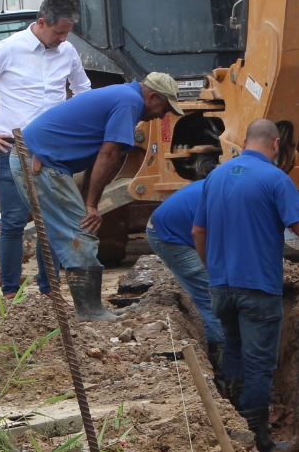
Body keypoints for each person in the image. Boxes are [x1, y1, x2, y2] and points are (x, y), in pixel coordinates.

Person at [192, 119, 299, 452]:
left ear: (245, 140)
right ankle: (259, 442)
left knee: (234, 352)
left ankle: (235, 432)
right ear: (276, 144)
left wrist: (214, 271)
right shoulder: (275, 179)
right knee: (259, 365)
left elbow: (198, 231)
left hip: (222, 286)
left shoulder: (216, 176)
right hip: (258, 288)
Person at [12, 72, 184, 320]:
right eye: (164, 107)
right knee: (79, 234)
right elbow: (109, 154)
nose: (162, 115)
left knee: (79, 227)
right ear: (153, 96)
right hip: (40, 164)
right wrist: (91, 204)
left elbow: (99, 155)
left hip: (40, 160)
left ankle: (91, 308)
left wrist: (87, 201)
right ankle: (90, 311)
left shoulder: (123, 97)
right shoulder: (129, 102)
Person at [0, 0, 90, 305]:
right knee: (14, 221)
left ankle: (49, 289)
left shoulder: (67, 51)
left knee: (52, 220)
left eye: (67, 34)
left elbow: (83, 89)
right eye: (58, 33)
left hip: (54, 151)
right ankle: (9, 291)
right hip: (13, 147)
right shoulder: (9, 48)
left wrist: (74, 126)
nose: (62, 40)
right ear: (42, 22)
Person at [145, 179, 229, 392]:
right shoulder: (238, 197)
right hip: (170, 235)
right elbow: (200, 234)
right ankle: (225, 373)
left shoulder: (237, 185)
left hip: (176, 225)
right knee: (214, 298)